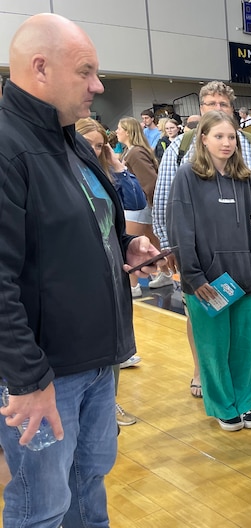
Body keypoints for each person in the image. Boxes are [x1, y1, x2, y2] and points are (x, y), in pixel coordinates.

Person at [0, 13, 168, 528]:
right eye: (87, 72)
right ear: (40, 69)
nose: (99, 86)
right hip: (44, 374)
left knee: (87, 477)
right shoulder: (8, 148)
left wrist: (123, 248)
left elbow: (76, 229)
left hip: (96, 357)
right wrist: (27, 381)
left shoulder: (67, 141)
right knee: (37, 509)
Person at [153, 81, 251, 399]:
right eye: (210, 103)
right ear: (200, 112)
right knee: (204, 328)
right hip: (201, 265)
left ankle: (241, 395)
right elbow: (166, 204)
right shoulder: (181, 151)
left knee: (241, 339)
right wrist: (169, 247)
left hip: (241, 269)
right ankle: (204, 375)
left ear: (233, 110)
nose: (216, 109)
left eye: (223, 104)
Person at [75, 118, 142, 427]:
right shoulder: (66, 176)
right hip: (84, 283)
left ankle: (109, 404)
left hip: (113, 278)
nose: (94, 150)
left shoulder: (101, 174)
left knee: (113, 350)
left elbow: (137, 200)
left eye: (99, 145)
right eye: (87, 144)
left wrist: (114, 162)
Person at [116, 117, 167, 295]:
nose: (116, 132)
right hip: (142, 205)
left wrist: (149, 203)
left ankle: (133, 286)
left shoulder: (135, 153)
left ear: (128, 132)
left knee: (132, 244)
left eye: (119, 128)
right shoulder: (132, 151)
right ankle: (166, 274)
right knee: (152, 240)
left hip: (138, 206)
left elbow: (149, 181)